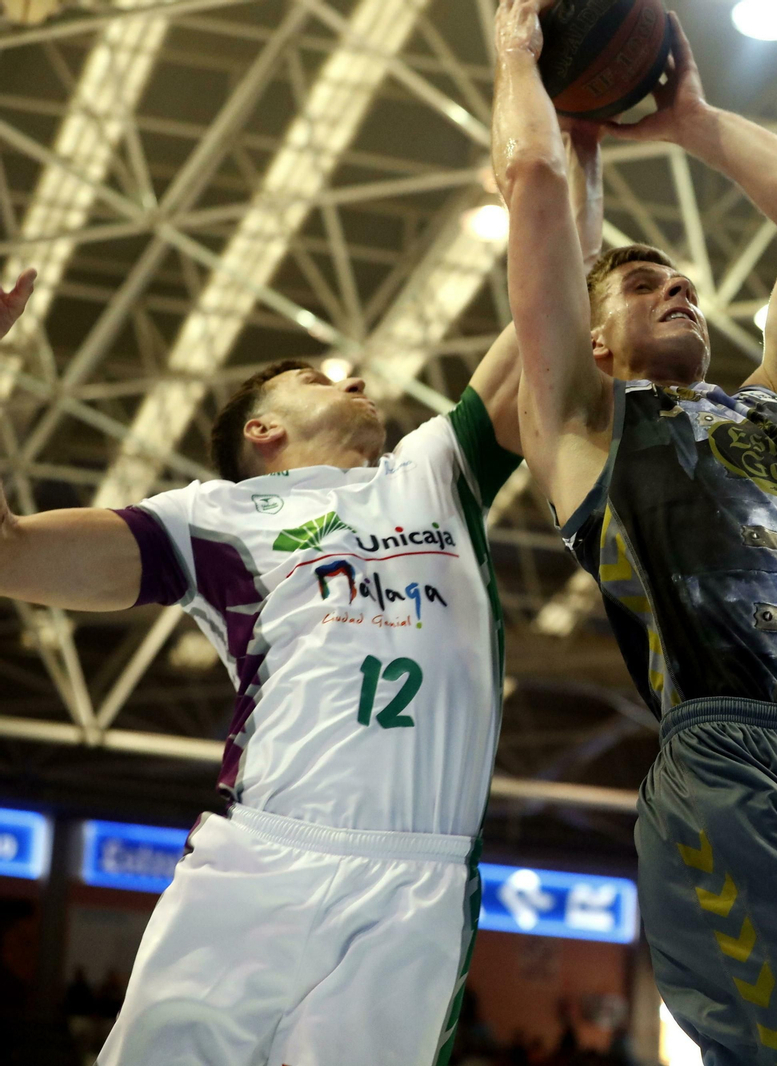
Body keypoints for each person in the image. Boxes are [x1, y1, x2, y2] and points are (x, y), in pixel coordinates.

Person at [0, 133, 599, 1064]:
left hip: (417, 879)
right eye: (321, 377)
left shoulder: (435, 472)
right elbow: (13, 554)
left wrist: (573, 170)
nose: (357, 380)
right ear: (263, 429)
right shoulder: (209, 515)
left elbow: (551, 312)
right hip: (258, 857)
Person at [490, 2, 777, 1062]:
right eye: (643, 286)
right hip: (733, 773)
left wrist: (691, 116)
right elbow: (534, 188)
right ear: (592, 346)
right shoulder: (580, 430)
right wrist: (519, 64)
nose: (679, 288)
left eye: (682, 280)